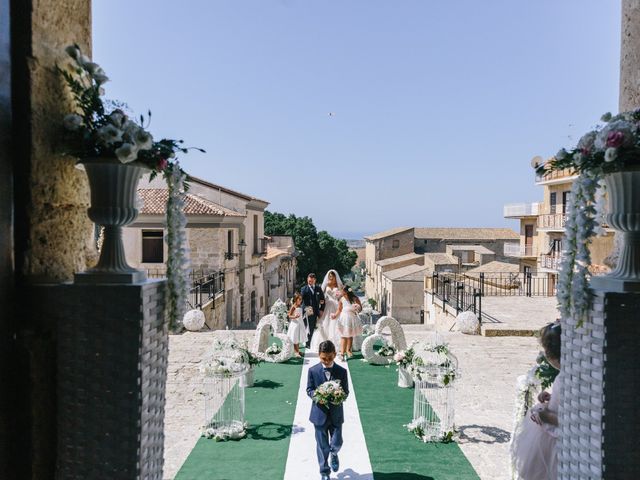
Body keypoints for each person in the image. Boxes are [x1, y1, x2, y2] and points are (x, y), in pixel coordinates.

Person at [511, 322, 562, 480]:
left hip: (553, 438)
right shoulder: (564, 376)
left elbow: (571, 418)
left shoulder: (566, 378)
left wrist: (546, 417)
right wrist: (551, 398)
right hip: (548, 434)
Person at [306, 340, 349, 480]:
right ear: (319, 355)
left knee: (337, 442)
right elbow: (309, 389)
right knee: (322, 445)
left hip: (336, 414)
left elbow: (346, 392)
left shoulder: (342, 372)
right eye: (323, 358)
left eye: (330, 358)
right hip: (319, 414)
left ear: (335, 354)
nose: (326, 361)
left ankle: (334, 453)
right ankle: (324, 472)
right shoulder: (312, 371)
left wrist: (339, 396)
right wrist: (318, 396)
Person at [332, 286, 363, 360]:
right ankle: (342, 353)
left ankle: (348, 350)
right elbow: (339, 309)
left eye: (342, 291)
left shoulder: (355, 298)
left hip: (352, 318)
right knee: (343, 335)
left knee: (350, 335)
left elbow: (360, 308)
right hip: (344, 318)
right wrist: (335, 315)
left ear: (346, 291)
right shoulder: (341, 299)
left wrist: (357, 308)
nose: (341, 292)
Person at [320, 269, 344, 347]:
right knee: (326, 322)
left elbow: (342, 294)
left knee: (337, 321)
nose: (331, 278)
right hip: (328, 304)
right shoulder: (326, 284)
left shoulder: (339, 285)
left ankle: (337, 340)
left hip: (337, 304)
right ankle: (326, 340)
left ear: (335, 276)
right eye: (329, 276)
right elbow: (321, 294)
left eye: (332, 276)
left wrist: (338, 296)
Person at [302, 273, 326, 349]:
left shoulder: (318, 289)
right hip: (306, 311)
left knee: (312, 327)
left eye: (312, 281)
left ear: (314, 280)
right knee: (307, 326)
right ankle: (307, 342)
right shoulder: (304, 289)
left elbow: (322, 300)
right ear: (307, 280)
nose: (310, 282)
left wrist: (321, 310)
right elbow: (300, 300)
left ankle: (309, 342)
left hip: (315, 311)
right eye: (309, 281)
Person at [287, 293, 307, 357]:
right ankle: (296, 352)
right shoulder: (294, 306)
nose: (301, 300)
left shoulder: (300, 306)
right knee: (295, 337)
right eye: (299, 299)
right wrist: (295, 317)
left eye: (301, 299)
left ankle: (297, 351)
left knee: (298, 338)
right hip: (295, 324)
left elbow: (301, 315)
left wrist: (306, 314)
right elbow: (289, 315)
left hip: (300, 323)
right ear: (296, 299)